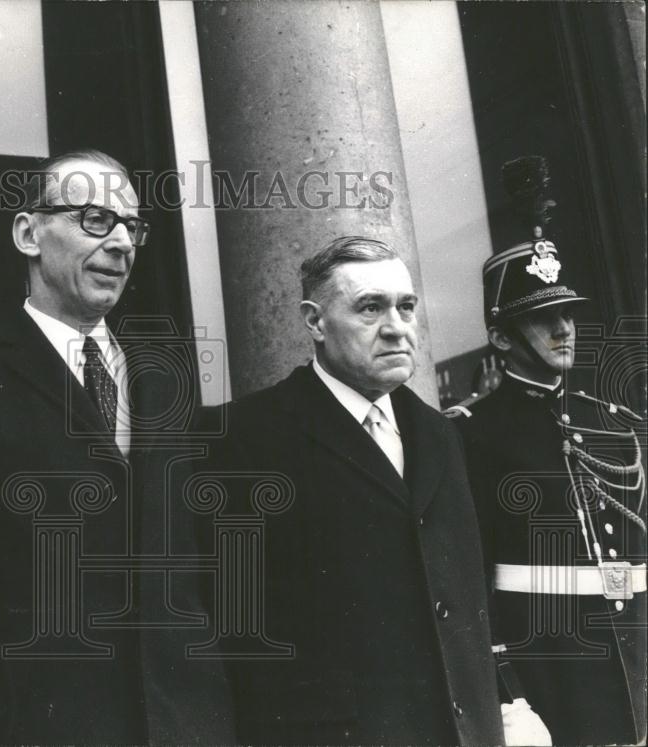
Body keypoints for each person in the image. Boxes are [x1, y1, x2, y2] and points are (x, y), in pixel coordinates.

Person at [0, 149, 233, 744]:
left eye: (131, 226)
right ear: (29, 233)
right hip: (43, 721)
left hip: (185, 721)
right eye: (95, 220)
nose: (122, 243)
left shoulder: (164, 374)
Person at [209, 236, 506, 744]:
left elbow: (464, 598)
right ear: (315, 321)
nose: (396, 328)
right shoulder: (245, 437)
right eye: (370, 308)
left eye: (406, 307)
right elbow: (234, 628)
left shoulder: (442, 435)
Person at [448, 157, 646, 745]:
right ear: (501, 335)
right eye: (542, 319)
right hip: (549, 672)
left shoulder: (614, 421)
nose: (565, 329)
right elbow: (466, 579)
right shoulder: (469, 435)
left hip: (635, 655)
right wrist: (506, 691)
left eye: (568, 314)